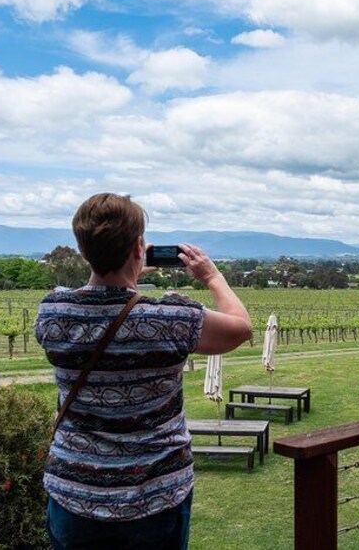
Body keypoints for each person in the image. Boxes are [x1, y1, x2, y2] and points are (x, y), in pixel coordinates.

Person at [34, 193, 252, 549]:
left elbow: (96, 298)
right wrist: (211, 276)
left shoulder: (53, 313)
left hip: (74, 495)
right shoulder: (171, 319)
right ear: (139, 246)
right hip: (155, 497)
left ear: (82, 249)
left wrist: (127, 271)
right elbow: (240, 327)